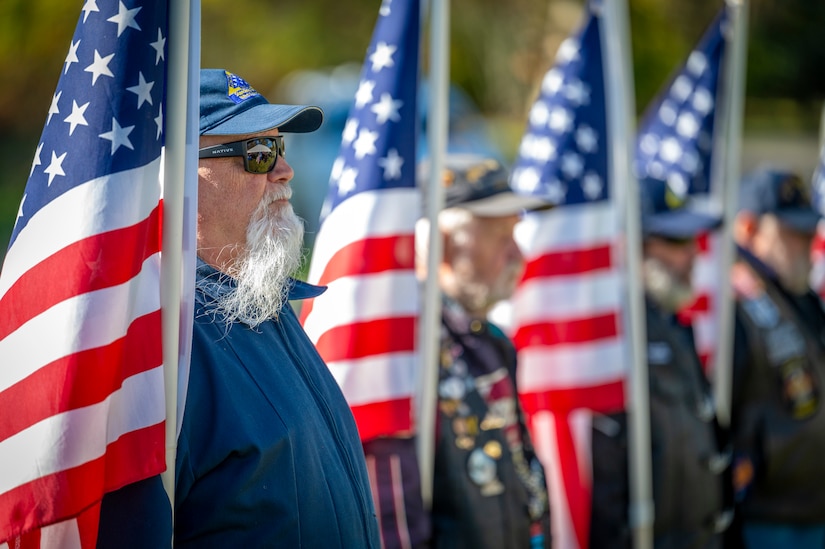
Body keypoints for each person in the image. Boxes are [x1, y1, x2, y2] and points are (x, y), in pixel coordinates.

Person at [96, 69, 381, 548]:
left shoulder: (266, 303)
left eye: (279, 149)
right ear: (180, 173)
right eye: (258, 154)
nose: (283, 171)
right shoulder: (162, 343)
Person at [363, 155, 551, 549]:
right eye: (500, 237)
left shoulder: (490, 341)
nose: (519, 255)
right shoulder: (399, 352)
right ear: (439, 245)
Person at [589, 175, 732, 548]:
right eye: (676, 241)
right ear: (632, 246)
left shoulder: (675, 325)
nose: (693, 254)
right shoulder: (610, 334)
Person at [729, 166, 825, 548]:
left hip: (810, 508)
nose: (806, 243)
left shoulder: (800, 296)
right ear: (748, 229)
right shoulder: (735, 302)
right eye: (791, 233)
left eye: (808, 232)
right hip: (766, 515)